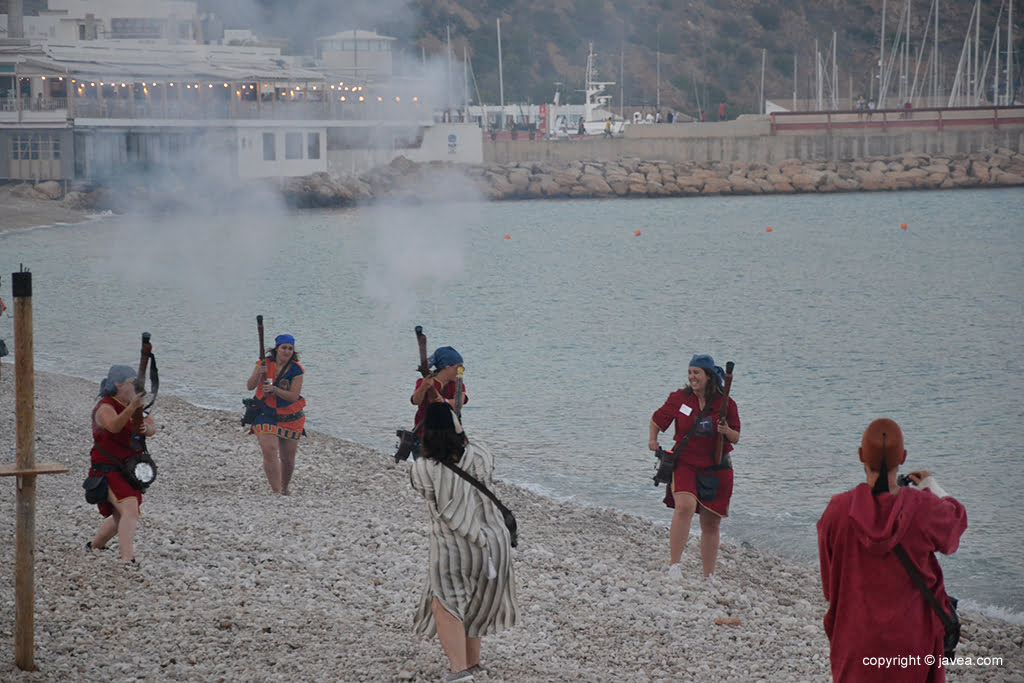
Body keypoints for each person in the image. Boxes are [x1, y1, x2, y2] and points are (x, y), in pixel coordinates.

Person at [817, 418, 967, 682]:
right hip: (912, 640)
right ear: (904, 457)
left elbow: (831, 588)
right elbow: (955, 525)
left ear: (861, 455)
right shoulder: (922, 508)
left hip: (855, 641)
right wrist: (932, 487)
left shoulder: (838, 511)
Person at [410, 402, 518, 682]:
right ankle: (472, 663)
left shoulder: (423, 469)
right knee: (476, 602)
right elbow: (478, 454)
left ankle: (459, 672)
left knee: (446, 603)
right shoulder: (481, 454)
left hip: (454, 547)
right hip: (495, 544)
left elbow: (424, 489)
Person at [649, 354, 740, 580]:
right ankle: (674, 567)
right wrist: (653, 439)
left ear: (709, 376)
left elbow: (736, 436)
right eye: (690, 372)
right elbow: (656, 420)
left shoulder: (725, 403)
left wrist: (725, 431)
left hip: (717, 467)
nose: (692, 377)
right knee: (685, 506)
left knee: (711, 522)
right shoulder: (680, 398)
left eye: (696, 373)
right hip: (685, 463)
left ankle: (709, 575)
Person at [87, 365, 157, 564]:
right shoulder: (105, 407)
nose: (135, 386)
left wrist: (146, 428)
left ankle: (96, 545)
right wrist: (132, 407)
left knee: (121, 515)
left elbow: (152, 427)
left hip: (130, 468)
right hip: (108, 468)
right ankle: (128, 559)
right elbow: (113, 427)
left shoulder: (134, 405)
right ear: (118, 384)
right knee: (129, 509)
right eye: (131, 383)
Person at [246, 333, 305, 495]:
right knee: (269, 450)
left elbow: (293, 396)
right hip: (265, 413)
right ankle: (277, 492)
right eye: (284, 348)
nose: (287, 351)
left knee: (288, 459)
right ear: (277, 349)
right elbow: (250, 386)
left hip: (290, 416)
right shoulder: (264, 363)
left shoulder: (296, 369)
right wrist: (259, 372)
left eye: (290, 349)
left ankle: (285, 487)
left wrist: (275, 390)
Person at [410, 346, 468, 440]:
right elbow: (416, 401)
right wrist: (424, 386)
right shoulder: (423, 381)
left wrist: (444, 401)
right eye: (459, 368)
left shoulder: (458, 384)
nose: (461, 372)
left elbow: (458, 403)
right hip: (424, 434)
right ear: (447, 366)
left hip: (448, 434)